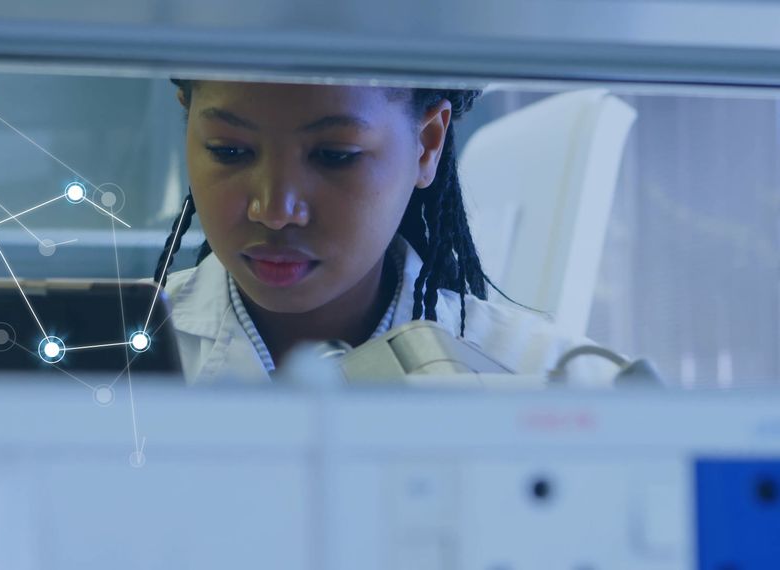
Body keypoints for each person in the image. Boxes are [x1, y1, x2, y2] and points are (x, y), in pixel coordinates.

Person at [154, 78, 615, 384]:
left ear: (427, 144)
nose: (275, 211)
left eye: (335, 155)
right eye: (229, 151)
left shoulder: (548, 380)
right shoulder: (107, 361)